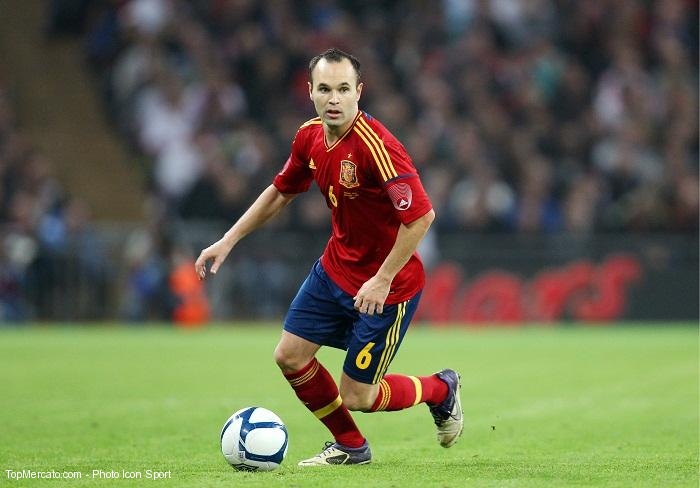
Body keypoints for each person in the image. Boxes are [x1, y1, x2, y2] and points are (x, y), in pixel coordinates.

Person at [195, 48, 463, 466]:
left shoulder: (379, 148)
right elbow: (281, 191)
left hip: (387, 289)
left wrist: (382, 278)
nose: (333, 98)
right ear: (311, 92)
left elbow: (421, 217)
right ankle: (352, 447)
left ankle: (441, 390)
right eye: (325, 89)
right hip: (334, 272)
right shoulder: (309, 136)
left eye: (343, 89)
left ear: (359, 92)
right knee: (289, 356)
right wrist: (228, 240)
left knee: (360, 395)